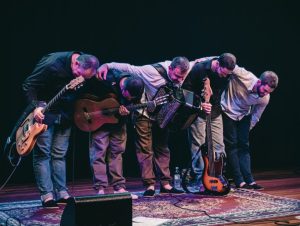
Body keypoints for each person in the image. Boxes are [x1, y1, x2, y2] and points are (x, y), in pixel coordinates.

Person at [97, 57, 191, 197]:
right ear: (170, 68)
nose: (179, 80)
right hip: (144, 113)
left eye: (181, 77)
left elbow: (201, 61)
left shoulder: (185, 70)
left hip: (162, 116)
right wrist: (107, 65)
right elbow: (129, 67)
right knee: (145, 149)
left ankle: (166, 184)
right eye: (177, 76)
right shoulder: (150, 71)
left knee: (162, 148)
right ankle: (150, 185)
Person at [22, 51, 100, 208]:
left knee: (59, 154)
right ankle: (47, 195)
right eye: (80, 74)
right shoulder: (52, 64)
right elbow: (28, 85)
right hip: (45, 114)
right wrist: (36, 107)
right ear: (76, 63)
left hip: (65, 115)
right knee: (43, 154)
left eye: (85, 78)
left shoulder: (86, 66)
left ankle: (62, 193)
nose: (81, 79)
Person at [82, 70, 145, 199]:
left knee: (117, 153)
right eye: (128, 96)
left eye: (132, 98)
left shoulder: (136, 89)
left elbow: (133, 107)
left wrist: (128, 111)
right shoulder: (106, 78)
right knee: (98, 154)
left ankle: (119, 187)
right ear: (123, 87)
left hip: (119, 123)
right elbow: (87, 93)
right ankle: (100, 188)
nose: (130, 99)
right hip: (99, 122)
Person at [181, 53, 236, 192]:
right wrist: (200, 105)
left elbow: (218, 92)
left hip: (215, 111)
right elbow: (185, 93)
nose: (225, 76)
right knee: (197, 144)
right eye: (223, 73)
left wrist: (213, 105)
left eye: (227, 74)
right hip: (198, 112)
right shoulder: (199, 69)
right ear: (217, 64)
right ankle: (200, 179)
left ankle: (218, 176)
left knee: (219, 146)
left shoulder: (227, 73)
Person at [221, 68, 279, 190]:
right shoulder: (245, 76)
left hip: (244, 115)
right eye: (264, 90)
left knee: (244, 146)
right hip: (228, 111)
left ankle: (249, 180)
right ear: (259, 82)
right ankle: (239, 180)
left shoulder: (265, 98)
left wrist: (246, 130)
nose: (264, 94)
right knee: (232, 145)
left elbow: (256, 116)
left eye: (268, 92)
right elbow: (229, 65)